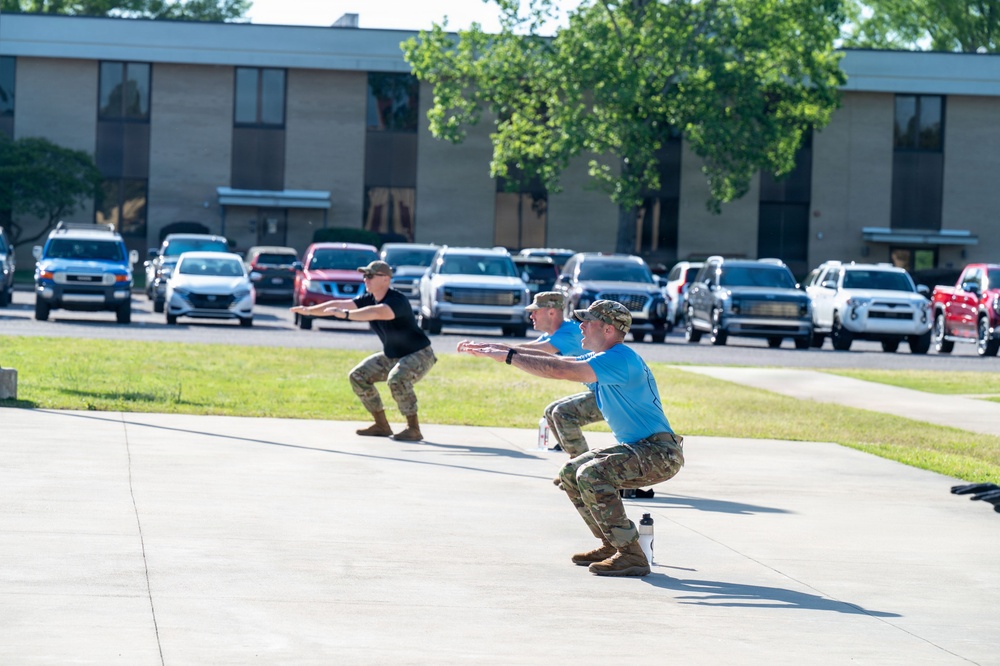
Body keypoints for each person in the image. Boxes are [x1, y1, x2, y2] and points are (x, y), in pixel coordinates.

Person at [457, 300, 684, 577]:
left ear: (609, 329)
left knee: (591, 474)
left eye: (588, 321)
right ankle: (613, 544)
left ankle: (630, 554)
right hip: (642, 450)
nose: (581, 326)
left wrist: (507, 356)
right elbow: (561, 361)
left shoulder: (620, 358)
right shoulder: (603, 357)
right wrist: (504, 350)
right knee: (570, 472)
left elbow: (559, 370)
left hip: (659, 453)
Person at [290, 260, 436, 441]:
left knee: (397, 379)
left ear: (386, 279)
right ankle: (381, 425)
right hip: (395, 355)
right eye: (364, 276)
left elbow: (377, 313)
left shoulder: (397, 300)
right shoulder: (369, 298)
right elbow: (341, 304)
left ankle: (413, 428)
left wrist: (346, 316)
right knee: (358, 376)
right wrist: (310, 310)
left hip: (420, 354)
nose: (365, 279)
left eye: (370, 276)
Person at [473, 291, 602, 456]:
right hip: (600, 390)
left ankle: (581, 466)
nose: (531, 315)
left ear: (551, 311)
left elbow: (535, 352)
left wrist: (492, 349)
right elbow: (525, 349)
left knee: (561, 413)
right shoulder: (554, 334)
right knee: (552, 413)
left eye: (535, 310)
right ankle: (577, 464)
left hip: (612, 391)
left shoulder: (569, 332)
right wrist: (489, 347)